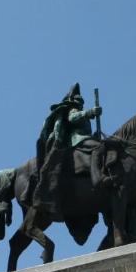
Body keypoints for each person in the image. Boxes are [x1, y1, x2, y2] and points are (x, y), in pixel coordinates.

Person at [30, 82, 102, 215]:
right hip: (76, 139)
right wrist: (90, 112)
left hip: (85, 138)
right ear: (72, 101)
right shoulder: (73, 109)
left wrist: (96, 135)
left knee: (100, 144)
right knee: (100, 147)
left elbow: (86, 131)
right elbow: (72, 118)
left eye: (82, 101)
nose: (80, 102)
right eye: (78, 100)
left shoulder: (83, 114)